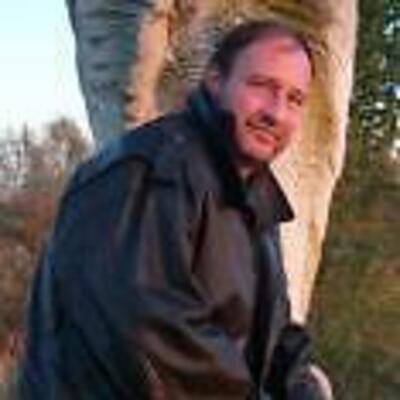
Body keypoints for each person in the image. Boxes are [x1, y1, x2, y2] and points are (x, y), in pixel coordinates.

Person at [17, 20, 333, 399]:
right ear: (215, 80)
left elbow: (273, 336)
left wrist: (303, 387)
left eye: (294, 99)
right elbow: (147, 339)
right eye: (261, 85)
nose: (276, 113)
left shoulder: (256, 198)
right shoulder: (146, 173)